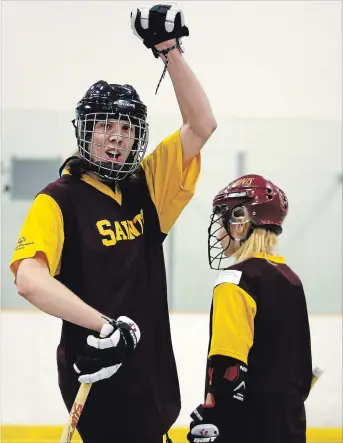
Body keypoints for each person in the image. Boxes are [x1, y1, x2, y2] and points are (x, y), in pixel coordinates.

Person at [10, 4, 216, 443]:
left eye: (126, 127)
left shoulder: (147, 188)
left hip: (153, 384)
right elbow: (29, 279)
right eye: (105, 126)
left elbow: (201, 124)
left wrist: (169, 52)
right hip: (100, 378)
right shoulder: (58, 200)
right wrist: (102, 326)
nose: (117, 136)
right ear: (86, 132)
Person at [187, 174, 313, 443]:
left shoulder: (235, 281)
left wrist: (213, 418)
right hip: (289, 428)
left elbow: (228, 367)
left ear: (240, 222)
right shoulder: (290, 278)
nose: (219, 231)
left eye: (223, 218)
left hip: (247, 429)